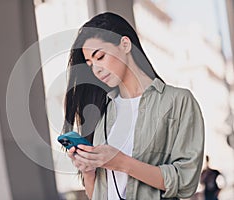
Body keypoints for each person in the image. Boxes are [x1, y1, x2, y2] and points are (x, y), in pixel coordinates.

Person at [62, 12, 205, 200]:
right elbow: (96, 194)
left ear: (125, 44)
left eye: (100, 57)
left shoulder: (177, 101)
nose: (96, 69)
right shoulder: (103, 113)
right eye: (89, 64)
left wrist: (121, 162)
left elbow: (185, 182)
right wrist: (88, 171)